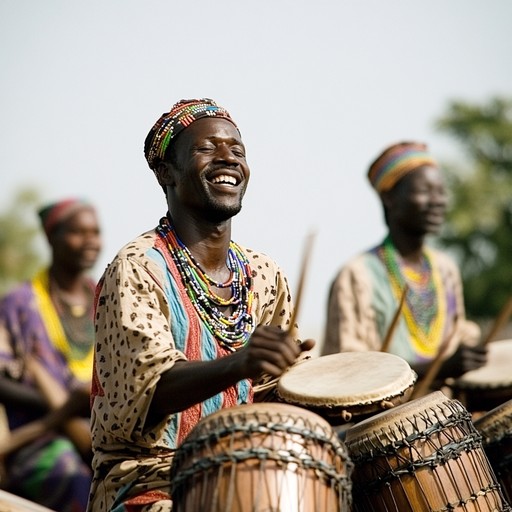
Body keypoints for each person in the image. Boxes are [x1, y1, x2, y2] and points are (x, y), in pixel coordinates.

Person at [87, 98, 315, 511]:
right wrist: (241, 363)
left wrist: (324, 394)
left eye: (238, 151)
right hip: (152, 481)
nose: (227, 158)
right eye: (206, 148)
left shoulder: (263, 274)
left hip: (248, 473)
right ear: (166, 174)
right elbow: (150, 391)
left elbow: (277, 396)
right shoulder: (138, 268)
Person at [323, 141, 487, 385]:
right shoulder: (357, 275)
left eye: (441, 191)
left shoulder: (445, 270)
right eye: (425, 191)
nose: (438, 201)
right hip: (382, 420)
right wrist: (437, 368)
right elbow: (348, 372)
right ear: (389, 198)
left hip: (449, 412)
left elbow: (457, 339)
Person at [0, 198, 102, 511]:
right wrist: (62, 405)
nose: (90, 242)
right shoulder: (18, 303)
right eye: (78, 232)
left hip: (103, 428)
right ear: (50, 238)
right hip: (38, 436)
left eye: (95, 233)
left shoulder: (108, 300)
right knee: (73, 476)